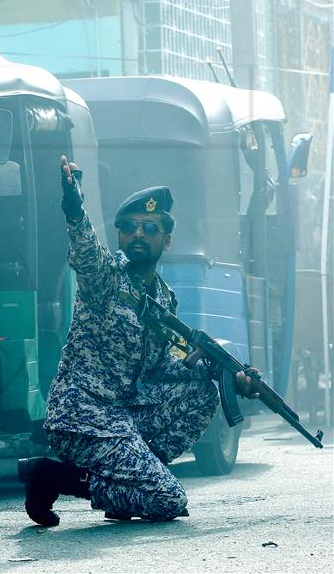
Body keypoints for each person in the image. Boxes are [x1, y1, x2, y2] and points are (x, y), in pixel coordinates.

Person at [19, 157, 259, 526]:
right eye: (129, 228)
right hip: (82, 418)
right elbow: (85, 251)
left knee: (204, 394)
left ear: (166, 239)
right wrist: (74, 207)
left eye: (150, 228)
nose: (138, 235)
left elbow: (159, 368)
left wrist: (213, 370)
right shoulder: (105, 278)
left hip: (123, 417)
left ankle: (127, 489)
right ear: (120, 236)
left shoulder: (163, 298)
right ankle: (51, 477)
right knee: (167, 500)